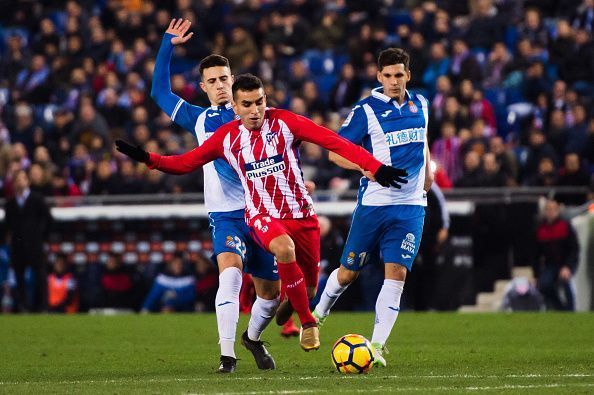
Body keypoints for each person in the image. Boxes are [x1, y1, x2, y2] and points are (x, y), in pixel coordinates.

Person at [116, 73, 407, 353]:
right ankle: (308, 324)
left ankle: (293, 304)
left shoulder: (287, 123)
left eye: (259, 102)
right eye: (247, 104)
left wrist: (375, 167)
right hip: (261, 216)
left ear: (265, 99)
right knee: (284, 249)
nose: (255, 110)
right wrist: (147, 159)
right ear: (234, 106)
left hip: (301, 214)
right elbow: (185, 163)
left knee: (307, 290)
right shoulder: (225, 138)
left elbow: (334, 141)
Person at [149, 19, 279, 373]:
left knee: (270, 294)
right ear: (203, 86)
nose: (221, 85)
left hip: (262, 214)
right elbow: (159, 94)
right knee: (230, 273)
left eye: (226, 78)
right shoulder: (199, 119)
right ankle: (227, 356)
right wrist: (167, 45)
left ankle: (251, 338)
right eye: (214, 81)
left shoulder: (256, 114)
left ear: (233, 81)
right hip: (225, 216)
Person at [310, 48, 432, 367]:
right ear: (379, 77)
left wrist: (429, 173)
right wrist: (365, 168)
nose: (393, 81)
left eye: (399, 75)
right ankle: (319, 313)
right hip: (375, 204)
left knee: (397, 273)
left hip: (410, 207)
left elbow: (424, 142)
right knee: (349, 272)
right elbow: (335, 153)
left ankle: (376, 348)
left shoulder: (422, 104)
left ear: (408, 75)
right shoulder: (366, 110)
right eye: (387, 75)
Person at [4, 169, 53, 312]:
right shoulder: (11, 203)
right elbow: (7, 225)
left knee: (40, 276)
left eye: (22, 178)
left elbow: (48, 219)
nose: (20, 181)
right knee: (19, 277)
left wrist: (41, 236)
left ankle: (43, 306)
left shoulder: (37, 198)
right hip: (18, 246)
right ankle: (23, 306)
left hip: (35, 244)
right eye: (17, 179)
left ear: (27, 181)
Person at [534, 198, 579, 311]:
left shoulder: (565, 226)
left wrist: (567, 266)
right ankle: (560, 308)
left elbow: (574, 249)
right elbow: (536, 254)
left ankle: (570, 310)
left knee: (565, 281)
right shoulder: (541, 230)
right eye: (548, 209)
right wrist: (536, 274)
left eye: (553, 209)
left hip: (566, 263)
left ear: (558, 210)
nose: (551, 212)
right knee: (544, 284)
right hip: (551, 265)